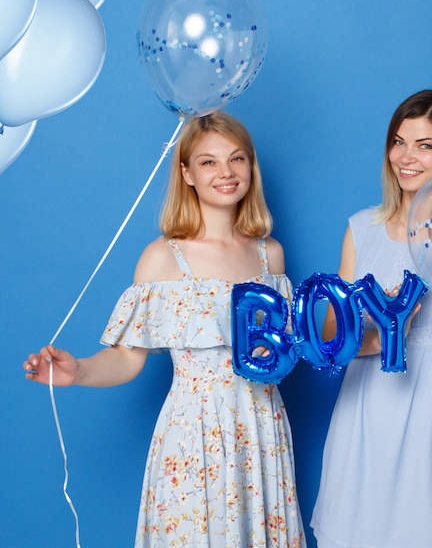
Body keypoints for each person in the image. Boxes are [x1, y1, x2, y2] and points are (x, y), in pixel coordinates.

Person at [24, 112, 306, 548]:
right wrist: (77, 371)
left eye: (237, 159)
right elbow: (127, 356)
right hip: (194, 431)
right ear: (186, 173)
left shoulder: (271, 255)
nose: (226, 172)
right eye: (208, 162)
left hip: (261, 428)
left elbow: (287, 349)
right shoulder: (163, 258)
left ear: (251, 166)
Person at [311, 90, 432, 547]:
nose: (406, 157)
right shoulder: (362, 228)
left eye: (425, 145)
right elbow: (331, 338)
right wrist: (380, 330)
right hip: (364, 412)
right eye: (399, 142)